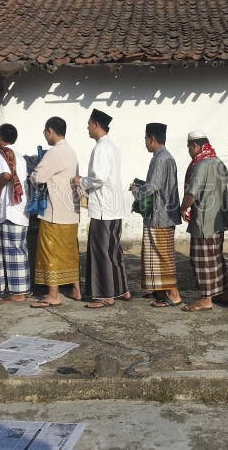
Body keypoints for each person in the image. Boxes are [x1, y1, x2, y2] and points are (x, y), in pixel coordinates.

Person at [74, 109, 129, 309]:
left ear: (96, 124)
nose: (87, 128)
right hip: (113, 207)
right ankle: (122, 288)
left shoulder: (101, 148)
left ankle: (106, 295)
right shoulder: (112, 146)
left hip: (103, 208)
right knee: (114, 250)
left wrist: (80, 181)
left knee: (101, 252)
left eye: (89, 124)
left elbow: (98, 178)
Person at [130, 123, 182, 308]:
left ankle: (174, 294)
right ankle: (160, 291)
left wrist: (136, 191)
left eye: (145, 139)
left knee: (163, 256)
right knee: (154, 255)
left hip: (162, 215)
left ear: (151, 139)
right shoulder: (162, 157)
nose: (145, 142)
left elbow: (153, 186)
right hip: (160, 214)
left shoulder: (162, 158)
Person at [30, 117, 81, 308]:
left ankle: (53, 295)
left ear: (50, 131)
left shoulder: (54, 153)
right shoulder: (72, 152)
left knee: (51, 252)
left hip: (55, 211)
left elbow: (39, 177)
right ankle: (76, 289)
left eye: (45, 132)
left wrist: (32, 175)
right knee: (69, 252)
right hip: (71, 211)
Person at [180, 130, 228, 312]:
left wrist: (183, 207)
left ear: (195, 146)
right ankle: (221, 292)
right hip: (219, 219)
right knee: (216, 257)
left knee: (202, 260)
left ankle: (206, 298)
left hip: (204, 221)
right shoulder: (219, 162)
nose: (188, 150)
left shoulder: (201, 165)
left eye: (189, 147)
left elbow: (192, 193)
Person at [0, 123, 31, 304]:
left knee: (13, 252)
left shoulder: (3, 154)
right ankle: (22, 289)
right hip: (21, 208)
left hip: (11, 209)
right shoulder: (19, 156)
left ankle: (17, 293)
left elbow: (6, 175)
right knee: (20, 251)